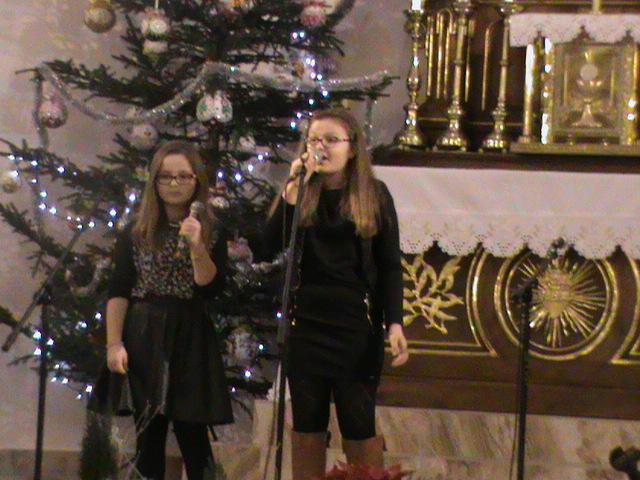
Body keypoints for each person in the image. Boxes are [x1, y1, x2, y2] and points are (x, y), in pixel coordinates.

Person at [265, 108, 410, 479]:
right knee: (307, 424)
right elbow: (266, 246)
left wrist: (394, 323)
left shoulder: (373, 195)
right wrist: (290, 195)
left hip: (354, 327)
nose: (321, 147)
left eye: (331, 140)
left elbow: (390, 265)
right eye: (314, 140)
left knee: (358, 423)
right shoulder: (302, 192)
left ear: (352, 147)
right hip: (306, 325)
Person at [105, 140, 233, 480]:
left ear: (196, 180)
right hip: (145, 331)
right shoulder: (136, 231)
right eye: (165, 176)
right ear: (154, 181)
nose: (174, 184)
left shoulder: (213, 231)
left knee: (193, 433)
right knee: (148, 434)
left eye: (183, 176)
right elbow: (118, 290)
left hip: (190, 332)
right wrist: (114, 343)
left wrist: (196, 245)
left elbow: (209, 287)